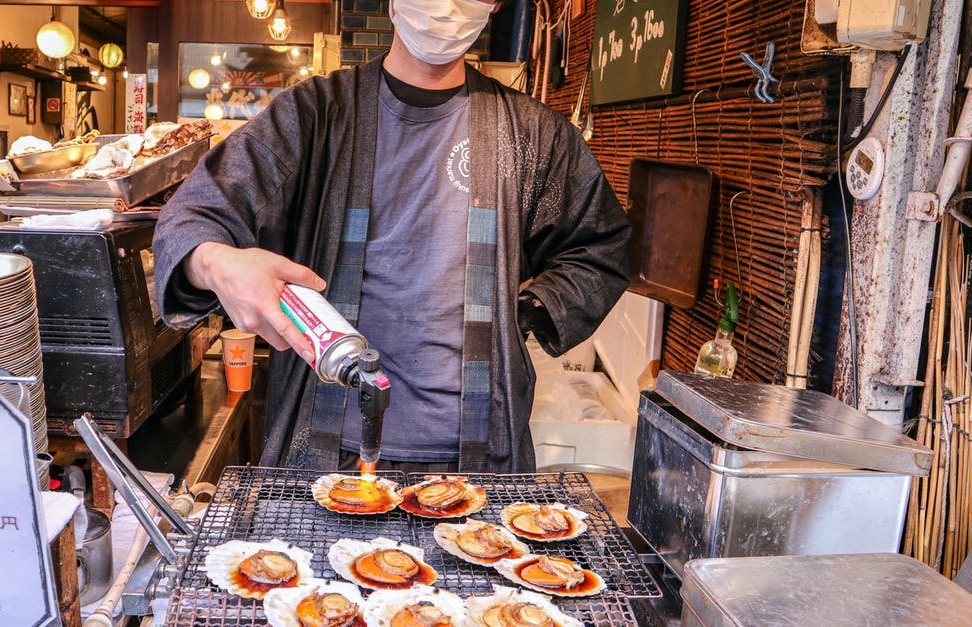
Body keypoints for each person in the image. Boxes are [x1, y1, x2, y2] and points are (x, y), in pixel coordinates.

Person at [155, 0, 630, 473]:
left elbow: (602, 248)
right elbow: (193, 215)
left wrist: (522, 313)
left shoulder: (533, 134)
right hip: (323, 455)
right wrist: (217, 263)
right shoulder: (313, 115)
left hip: (478, 464)